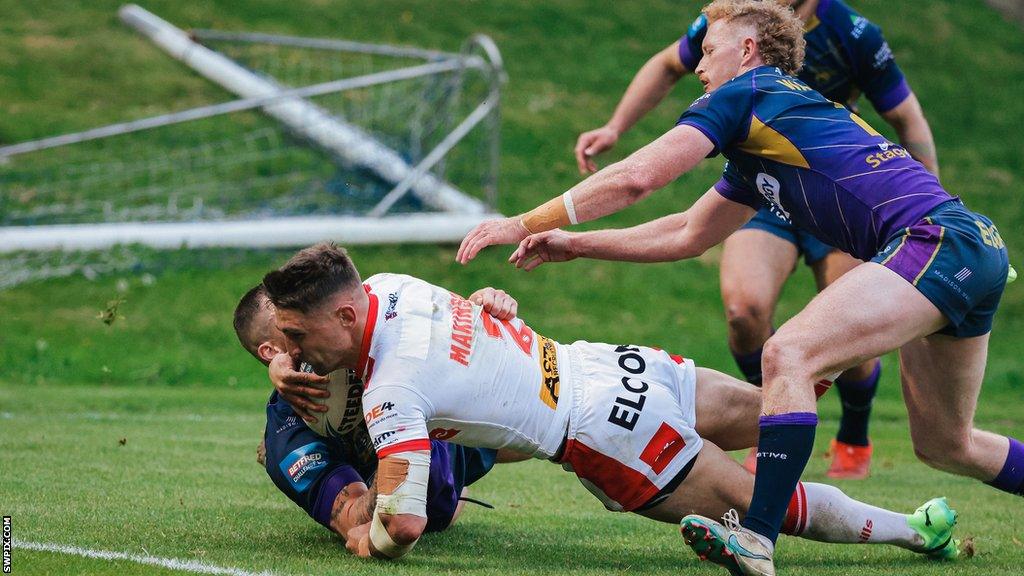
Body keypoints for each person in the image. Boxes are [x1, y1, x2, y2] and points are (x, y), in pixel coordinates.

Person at [456, 1, 1013, 574]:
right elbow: (687, 232)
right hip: (971, 248)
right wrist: (575, 244)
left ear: (747, 50)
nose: (699, 65)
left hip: (935, 242)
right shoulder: (765, 134)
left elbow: (639, 177)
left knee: (788, 353)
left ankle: (757, 540)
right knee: (948, 444)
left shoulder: (749, 93)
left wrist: (525, 222)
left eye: (711, 49)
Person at [262, 242, 958, 565]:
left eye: (296, 335)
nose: (291, 349)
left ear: (347, 318)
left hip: (602, 431)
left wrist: (366, 539)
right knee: (773, 404)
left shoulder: (391, 390)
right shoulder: (388, 284)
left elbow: (406, 524)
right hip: (605, 363)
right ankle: (873, 323)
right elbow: (461, 340)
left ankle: (913, 528)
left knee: (755, 502)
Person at [573, 0, 940, 479]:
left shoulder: (852, 32)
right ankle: (767, 420)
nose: (703, 62)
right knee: (744, 312)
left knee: (846, 327)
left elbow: (908, 119)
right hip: (761, 188)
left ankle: (853, 431)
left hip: (838, 189)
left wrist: (927, 215)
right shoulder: (735, 23)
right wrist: (615, 126)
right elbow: (667, 65)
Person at [232, 284, 520, 541]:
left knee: (531, 431)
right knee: (437, 502)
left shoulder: (367, 347)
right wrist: (399, 446)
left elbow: (418, 316)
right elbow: (357, 522)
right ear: (271, 351)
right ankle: (457, 492)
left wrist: (477, 312)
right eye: (291, 326)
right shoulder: (289, 437)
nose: (313, 320)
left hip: (454, 425)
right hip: (431, 491)